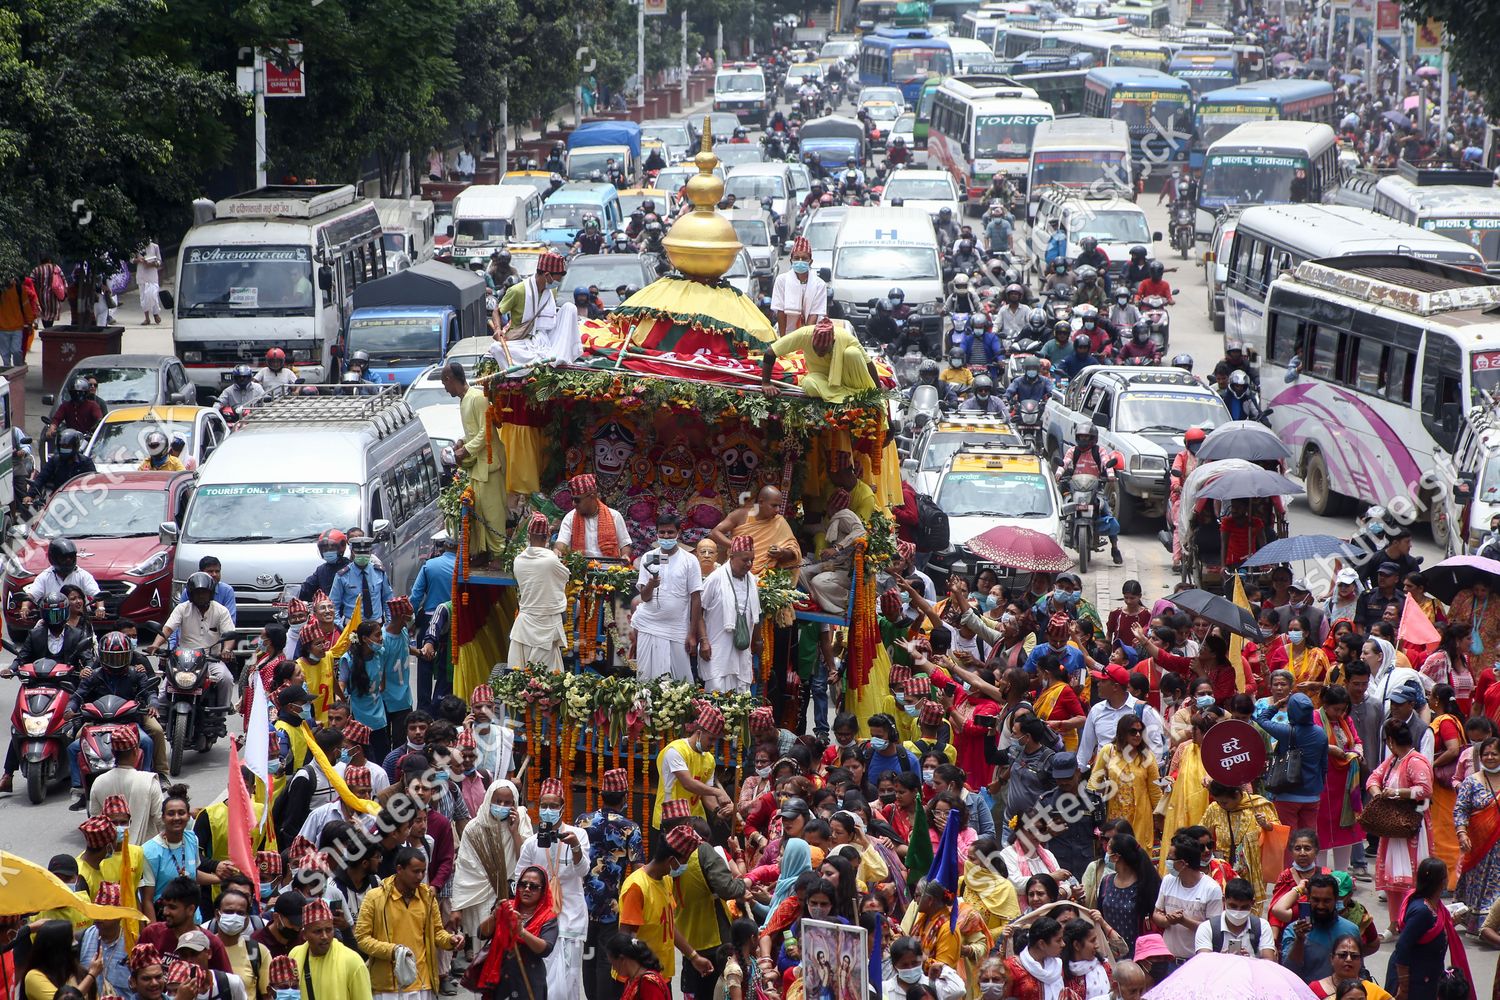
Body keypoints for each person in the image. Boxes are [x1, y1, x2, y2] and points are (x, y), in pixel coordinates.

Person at [512, 779, 588, 1000]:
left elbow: (583, 871)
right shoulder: (531, 843)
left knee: (570, 981)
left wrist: (574, 847)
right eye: (544, 805)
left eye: (553, 806)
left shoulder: (578, 835)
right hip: (541, 922)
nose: (548, 810)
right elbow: (519, 880)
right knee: (543, 980)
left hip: (571, 917)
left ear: (563, 807)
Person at [355, 846, 463, 998]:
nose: (420, 876)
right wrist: (393, 951)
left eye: (423, 871)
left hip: (421, 982)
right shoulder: (374, 898)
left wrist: (451, 940)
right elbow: (362, 938)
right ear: (399, 869)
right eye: (415, 871)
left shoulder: (427, 898)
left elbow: (437, 932)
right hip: (388, 987)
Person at [1367, 718, 1435, 930]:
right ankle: (1394, 923)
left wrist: (1396, 793)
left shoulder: (1415, 761)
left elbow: (1425, 790)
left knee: (1411, 880)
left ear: (1390, 741)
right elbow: (1372, 779)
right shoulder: (1394, 760)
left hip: (1412, 827)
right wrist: (1379, 795)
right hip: (1392, 827)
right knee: (1393, 881)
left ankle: (1411, 922)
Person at [441, 362, 506, 564]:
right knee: (479, 511)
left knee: (493, 512)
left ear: (451, 380)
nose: (445, 388)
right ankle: (483, 551)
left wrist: (464, 451)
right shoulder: (464, 400)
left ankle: (498, 554)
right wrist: (460, 442)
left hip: (490, 464)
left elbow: (485, 432)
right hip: (478, 466)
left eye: (445, 383)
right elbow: (472, 432)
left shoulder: (477, 398)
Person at [632, 514, 706, 682]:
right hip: (649, 625)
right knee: (646, 680)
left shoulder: (690, 560)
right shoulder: (649, 557)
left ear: (678, 533)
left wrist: (692, 634)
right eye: (662, 532)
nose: (666, 536)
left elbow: (696, 599)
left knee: (681, 681)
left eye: (670, 533)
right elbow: (644, 596)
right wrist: (652, 583)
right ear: (656, 534)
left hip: (677, 628)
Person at [1386, 858, 1469, 1000]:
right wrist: (1404, 988)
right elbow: (1402, 946)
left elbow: (1429, 932)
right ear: (1442, 882)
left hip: (1426, 978)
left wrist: (1449, 924)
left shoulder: (1432, 904)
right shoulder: (1422, 911)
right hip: (1414, 982)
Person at [761, 317, 879, 404]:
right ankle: (850, 396)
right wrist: (766, 383)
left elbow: (869, 364)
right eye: (816, 349)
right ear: (812, 339)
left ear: (832, 342)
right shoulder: (804, 334)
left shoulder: (845, 337)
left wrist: (879, 393)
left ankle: (859, 393)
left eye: (823, 350)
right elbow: (770, 352)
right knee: (808, 384)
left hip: (849, 380)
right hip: (823, 381)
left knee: (852, 353)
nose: (819, 353)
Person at [653, 703, 735, 826]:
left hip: (696, 822)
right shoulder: (675, 750)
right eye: (711, 739)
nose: (713, 744)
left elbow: (705, 793)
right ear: (699, 733)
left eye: (716, 740)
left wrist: (717, 811)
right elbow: (688, 783)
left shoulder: (709, 759)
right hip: (671, 818)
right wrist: (718, 792)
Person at [699, 534, 762, 693]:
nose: (749, 564)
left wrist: (758, 640)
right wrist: (704, 641)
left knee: (741, 699)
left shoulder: (752, 581)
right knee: (716, 695)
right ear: (731, 557)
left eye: (751, 560)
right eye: (745, 560)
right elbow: (698, 611)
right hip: (717, 650)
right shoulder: (715, 579)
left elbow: (756, 615)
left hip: (742, 653)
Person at [494, 251, 582, 364]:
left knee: (570, 308)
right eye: (557, 279)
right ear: (546, 275)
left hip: (547, 338)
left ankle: (558, 356)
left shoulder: (552, 291)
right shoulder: (517, 290)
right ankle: (546, 358)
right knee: (496, 348)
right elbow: (497, 311)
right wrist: (497, 329)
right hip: (523, 340)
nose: (558, 283)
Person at [1088, 715, 1161, 849]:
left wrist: (1160, 818)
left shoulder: (1147, 756)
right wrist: (1091, 812)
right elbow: (1093, 783)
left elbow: (1155, 791)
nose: (1138, 735)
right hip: (1115, 818)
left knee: (1139, 857)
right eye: (1133, 731)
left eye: (1141, 731)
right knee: (1116, 856)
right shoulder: (1109, 751)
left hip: (1141, 819)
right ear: (1122, 732)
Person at [508, 513, 570, 672]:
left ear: (528, 535)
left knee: (520, 677)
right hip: (546, 626)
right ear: (547, 536)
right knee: (546, 682)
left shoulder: (518, 560)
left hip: (524, 625)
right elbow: (565, 576)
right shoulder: (551, 559)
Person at [1153, 836, 1224, 965]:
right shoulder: (1168, 881)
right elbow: (1157, 913)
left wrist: (1183, 921)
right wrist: (1167, 920)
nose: (1167, 861)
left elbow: (1214, 930)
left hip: (1196, 962)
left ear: (1183, 863)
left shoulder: (1211, 889)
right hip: (1169, 960)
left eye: (1170, 858)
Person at [1455, 735, 1500, 926]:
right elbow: (1461, 809)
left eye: (1495, 754)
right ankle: (1476, 923)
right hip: (1477, 845)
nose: (1490, 757)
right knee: (1476, 884)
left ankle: (1490, 926)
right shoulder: (1471, 782)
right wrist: (1462, 833)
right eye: (1486, 754)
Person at [1094, 832, 1160, 960]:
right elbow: (1100, 912)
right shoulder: (1106, 881)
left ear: (1116, 857)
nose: (1105, 854)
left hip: (1139, 955)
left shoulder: (1144, 884)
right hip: (1110, 954)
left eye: (1108, 850)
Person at [291, 898, 373, 1000]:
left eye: (329, 930)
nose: (325, 936)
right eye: (318, 931)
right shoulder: (294, 956)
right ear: (304, 935)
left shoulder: (352, 961)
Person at [556, 473, 632, 561]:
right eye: (572, 499)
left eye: (577, 500)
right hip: (580, 568)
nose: (573, 504)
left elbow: (625, 544)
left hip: (609, 569)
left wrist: (625, 555)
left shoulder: (614, 516)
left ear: (592, 496)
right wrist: (557, 550)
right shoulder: (570, 518)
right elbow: (562, 542)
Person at [771, 238, 828, 336]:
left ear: (810, 262)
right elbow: (780, 312)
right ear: (791, 260)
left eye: (804, 258)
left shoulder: (819, 285)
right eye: (796, 258)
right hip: (786, 332)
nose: (800, 261)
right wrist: (784, 339)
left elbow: (814, 315)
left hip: (809, 334)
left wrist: (803, 339)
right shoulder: (781, 281)